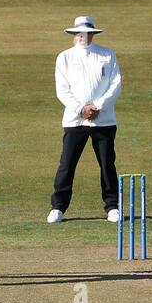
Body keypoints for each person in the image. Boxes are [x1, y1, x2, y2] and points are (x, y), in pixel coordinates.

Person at [47, 15, 122, 223]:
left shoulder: (107, 54)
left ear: (92, 34)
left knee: (107, 163)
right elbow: (62, 89)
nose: (83, 37)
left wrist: (97, 106)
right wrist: (81, 109)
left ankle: (112, 206)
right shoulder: (65, 57)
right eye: (79, 33)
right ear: (74, 34)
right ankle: (58, 207)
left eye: (87, 33)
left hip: (103, 119)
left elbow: (115, 85)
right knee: (67, 164)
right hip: (75, 119)